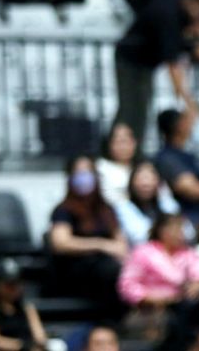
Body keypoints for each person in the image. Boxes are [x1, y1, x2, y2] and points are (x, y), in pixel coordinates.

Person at [113, 0, 193, 143]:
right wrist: (185, 96)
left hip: (147, 60)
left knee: (141, 106)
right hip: (131, 56)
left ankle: (130, 147)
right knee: (131, 108)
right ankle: (118, 148)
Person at [48, 155, 127, 319]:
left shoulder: (106, 210)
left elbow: (121, 245)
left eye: (88, 173)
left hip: (107, 267)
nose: (84, 178)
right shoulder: (63, 210)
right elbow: (61, 242)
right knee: (109, 270)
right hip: (77, 269)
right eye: (79, 173)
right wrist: (100, 244)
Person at [117, 213, 199, 351]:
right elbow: (127, 284)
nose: (181, 233)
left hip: (181, 307)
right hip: (150, 310)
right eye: (176, 229)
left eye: (181, 229)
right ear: (162, 231)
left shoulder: (187, 253)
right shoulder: (143, 252)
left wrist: (198, 285)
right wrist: (150, 298)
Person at [154, 105, 199, 232]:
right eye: (185, 121)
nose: (191, 125)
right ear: (178, 126)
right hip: (191, 219)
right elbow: (190, 189)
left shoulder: (185, 155)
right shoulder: (168, 157)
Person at [0, 258, 65, 351]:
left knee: (57, 345)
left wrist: (41, 342)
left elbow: (39, 337)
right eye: (8, 284)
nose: (13, 288)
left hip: (30, 348)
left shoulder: (27, 308)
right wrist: (21, 345)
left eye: (16, 283)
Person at [115, 161, 180, 247]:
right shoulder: (123, 207)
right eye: (141, 179)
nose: (146, 184)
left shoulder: (165, 203)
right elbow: (139, 238)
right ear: (132, 183)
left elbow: (187, 232)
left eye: (151, 178)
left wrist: (165, 194)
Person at [96, 122, 139, 203]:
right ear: (109, 144)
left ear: (134, 143)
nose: (123, 147)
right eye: (118, 142)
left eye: (126, 141)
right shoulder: (100, 168)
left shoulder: (142, 168)